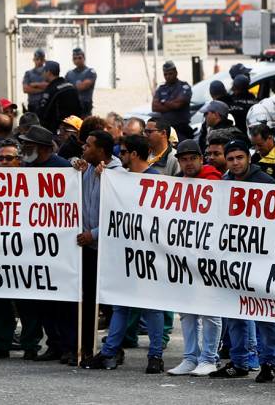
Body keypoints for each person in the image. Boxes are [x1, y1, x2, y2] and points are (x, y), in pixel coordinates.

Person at [85, 134, 164, 374]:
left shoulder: (155, 180)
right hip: (123, 253)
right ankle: (109, 352)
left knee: (152, 307)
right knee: (120, 306)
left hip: (148, 255)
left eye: (124, 152)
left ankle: (155, 355)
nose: (121, 156)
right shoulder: (122, 179)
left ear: (135, 154)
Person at [213, 139, 275, 383]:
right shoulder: (224, 184)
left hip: (261, 259)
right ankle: (239, 362)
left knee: (264, 313)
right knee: (235, 311)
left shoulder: (266, 183)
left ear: (248, 158)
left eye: (239, 157)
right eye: (230, 159)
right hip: (233, 259)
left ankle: (268, 363)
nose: (235, 162)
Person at [0, 139, 44, 361]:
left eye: (9, 158)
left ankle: (30, 344)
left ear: (20, 160)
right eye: (1, 159)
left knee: (28, 300)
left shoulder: (33, 181)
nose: (4, 162)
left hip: (25, 250)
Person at [167, 139, 224, 378]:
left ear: (202, 159)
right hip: (185, 257)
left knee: (210, 309)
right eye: (184, 159)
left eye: (193, 158)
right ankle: (190, 358)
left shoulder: (215, 181)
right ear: (179, 161)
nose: (188, 163)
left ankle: (209, 358)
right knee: (187, 310)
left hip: (210, 256)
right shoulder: (177, 184)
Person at [77, 131, 121, 364]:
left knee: (109, 303)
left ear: (102, 150)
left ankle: (114, 349)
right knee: (87, 299)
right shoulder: (87, 171)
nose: (84, 148)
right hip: (86, 248)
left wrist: (92, 234)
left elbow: (118, 217)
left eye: (88, 145)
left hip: (107, 248)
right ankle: (85, 348)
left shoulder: (117, 175)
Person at [152, 61, 193, 141]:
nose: (168, 76)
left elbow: (178, 104)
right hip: (166, 128)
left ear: (176, 72)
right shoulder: (161, 88)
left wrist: (163, 102)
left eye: (170, 74)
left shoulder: (183, 86)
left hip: (180, 128)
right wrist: (172, 104)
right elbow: (154, 107)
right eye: (165, 74)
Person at [37, 61, 82, 134]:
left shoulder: (51, 90)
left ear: (49, 72)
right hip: (73, 130)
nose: (43, 74)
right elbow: (80, 109)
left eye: (44, 71)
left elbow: (43, 113)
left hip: (56, 132)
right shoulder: (71, 87)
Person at [66, 47, 97, 116]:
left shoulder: (90, 72)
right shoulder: (69, 74)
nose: (77, 60)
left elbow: (83, 86)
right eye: (75, 58)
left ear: (84, 58)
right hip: (72, 107)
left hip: (85, 108)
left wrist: (71, 86)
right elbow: (66, 90)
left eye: (79, 58)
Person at [23, 48, 48, 113]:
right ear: (33, 60)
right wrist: (42, 89)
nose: (39, 61)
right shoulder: (28, 73)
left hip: (46, 105)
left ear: (44, 60)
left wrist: (35, 85)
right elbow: (26, 89)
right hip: (32, 105)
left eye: (41, 59)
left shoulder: (48, 72)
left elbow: (49, 86)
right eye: (37, 59)